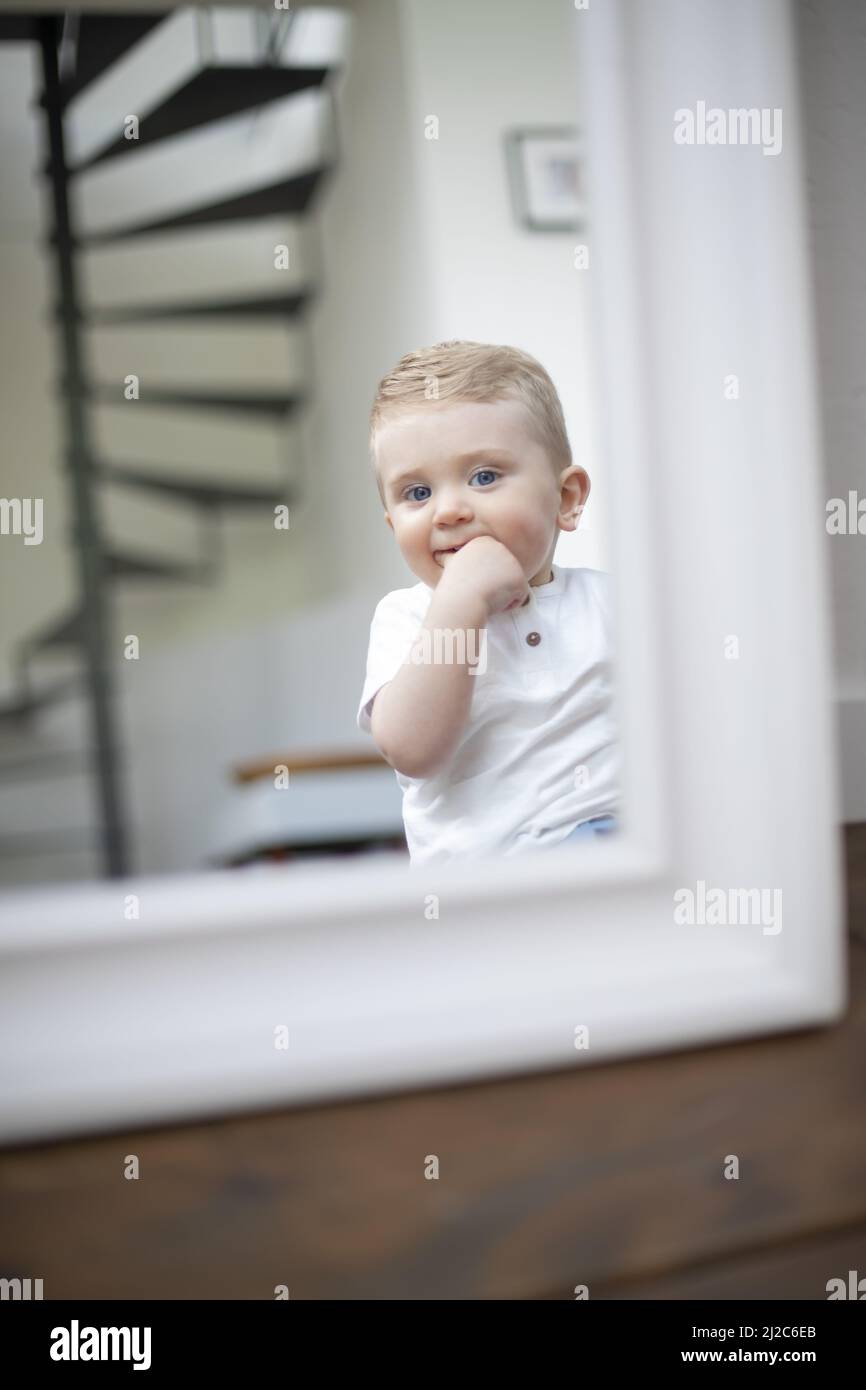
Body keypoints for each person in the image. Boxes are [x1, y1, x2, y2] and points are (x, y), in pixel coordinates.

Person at [356, 339, 620, 866]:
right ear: (393, 524)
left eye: (484, 477)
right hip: (491, 888)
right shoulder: (407, 619)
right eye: (417, 494)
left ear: (565, 500)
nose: (449, 511)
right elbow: (412, 749)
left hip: (622, 854)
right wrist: (460, 602)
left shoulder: (612, 603)